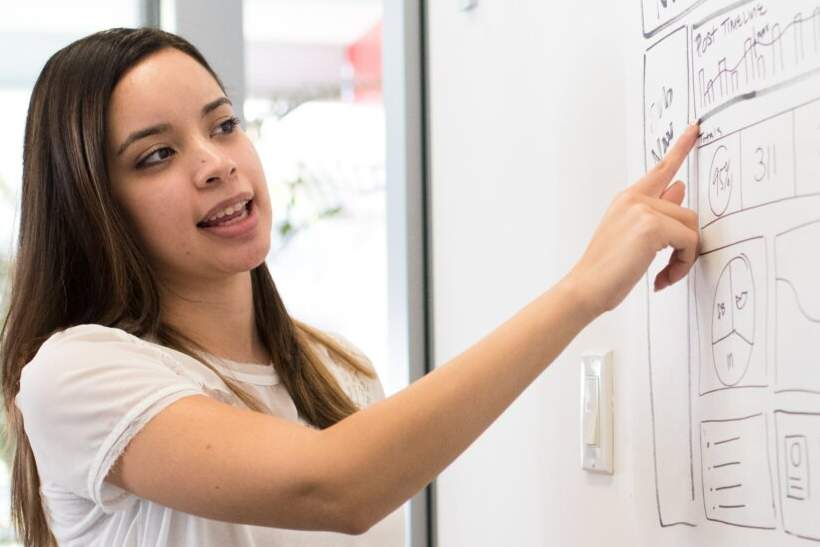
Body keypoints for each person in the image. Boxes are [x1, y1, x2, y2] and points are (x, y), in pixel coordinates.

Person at [0, 27, 700, 547]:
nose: (215, 163)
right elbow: (337, 485)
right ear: (94, 204)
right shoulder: (73, 372)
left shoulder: (336, 371)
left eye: (223, 125)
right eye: (157, 154)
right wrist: (582, 290)